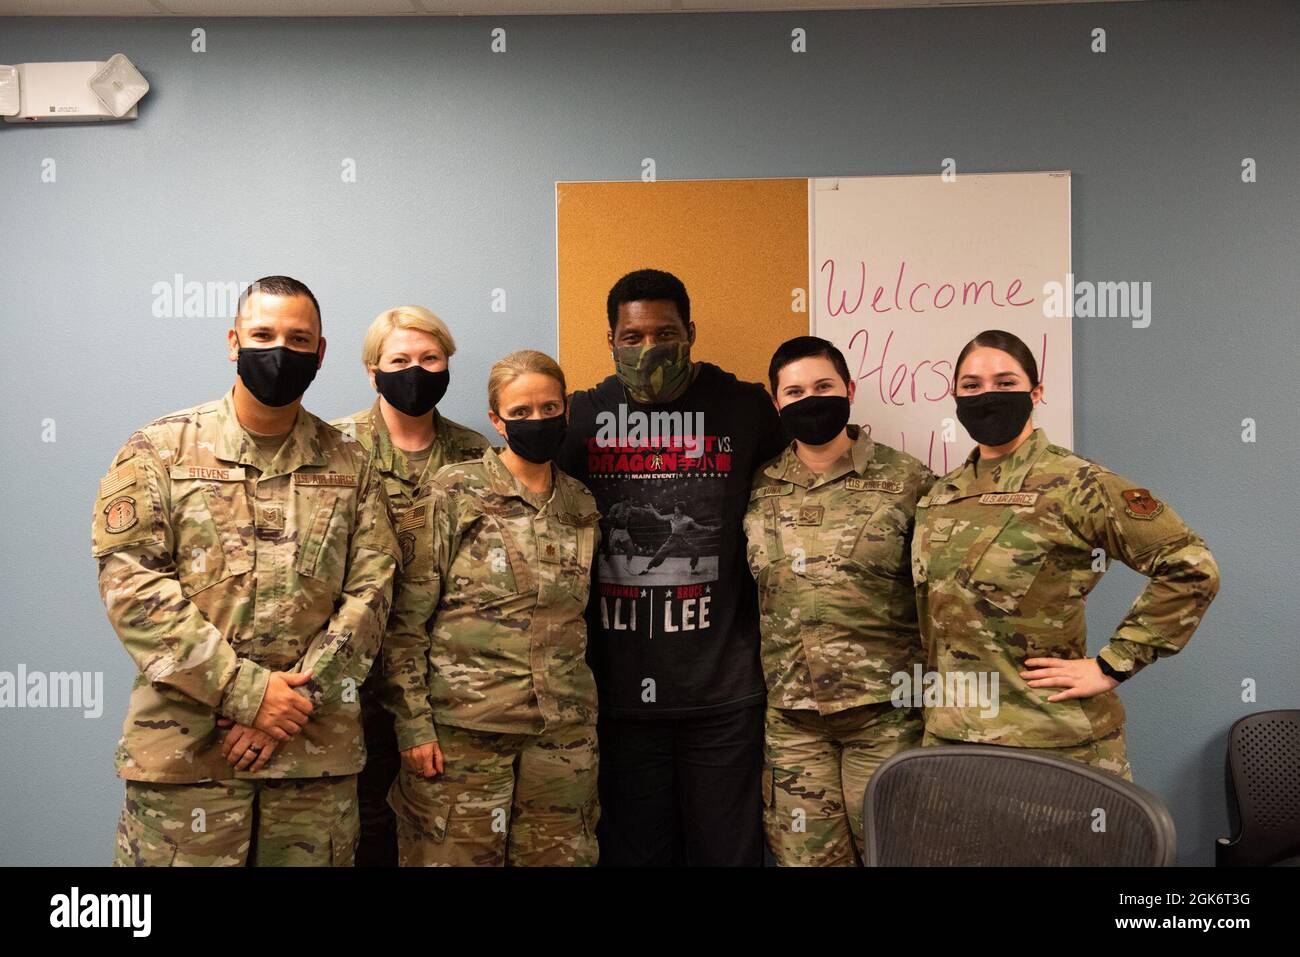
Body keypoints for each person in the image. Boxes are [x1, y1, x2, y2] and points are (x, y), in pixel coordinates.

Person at [93, 275, 399, 866]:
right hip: (189, 759)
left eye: (298, 338)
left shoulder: (350, 463)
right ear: (234, 341)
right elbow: (132, 586)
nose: (280, 350)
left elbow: (373, 590)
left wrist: (284, 710)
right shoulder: (160, 450)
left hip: (313, 756)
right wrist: (249, 693)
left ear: (321, 352)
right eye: (263, 334)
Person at [911, 329, 1220, 779]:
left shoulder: (1078, 484)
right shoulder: (940, 496)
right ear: (955, 396)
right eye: (972, 386)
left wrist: (1112, 665)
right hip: (952, 741)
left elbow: (1192, 567)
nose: (987, 395)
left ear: (1036, 392)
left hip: (1054, 743)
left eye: (1005, 382)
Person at [559, 268, 788, 866]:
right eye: (631, 338)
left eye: (664, 333)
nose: (648, 348)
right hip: (616, 695)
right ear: (610, 340)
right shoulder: (579, 418)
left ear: (691, 332)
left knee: (729, 855)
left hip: (724, 693)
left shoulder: (745, 409)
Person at [384, 350, 601, 866]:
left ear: (567, 409)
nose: (537, 421)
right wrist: (413, 726)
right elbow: (406, 622)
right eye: (521, 412)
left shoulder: (580, 504)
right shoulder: (454, 492)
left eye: (549, 409)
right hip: (463, 739)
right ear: (496, 420)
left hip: (561, 736)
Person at [744, 336, 933, 866]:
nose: (811, 399)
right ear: (776, 400)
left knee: (896, 854)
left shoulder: (909, 482)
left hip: (888, 717)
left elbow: (941, 596)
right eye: (795, 391)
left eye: (824, 387)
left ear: (849, 390)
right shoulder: (759, 487)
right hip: (793, 721)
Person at [331, 306, 489, 868]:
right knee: (355, 826)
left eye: (430, 358)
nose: (415, 370)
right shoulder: (334, 450)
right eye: (399, 360)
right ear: (373, 370)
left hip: (442, 680)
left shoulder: (478, 456)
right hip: (347, 676)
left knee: (434, 829)